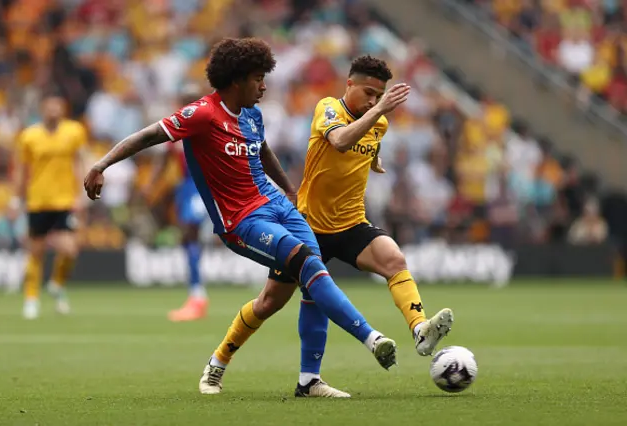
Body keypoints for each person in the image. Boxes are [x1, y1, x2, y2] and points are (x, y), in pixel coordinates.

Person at [84, 37, 397, 397]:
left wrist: (291, 192)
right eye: (258, 78)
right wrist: (101, 163)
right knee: (307, 267)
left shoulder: (252, 114)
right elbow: (151, 134)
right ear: (236, 80)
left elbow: (262, 151)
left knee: (294, 291)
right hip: (241, 222)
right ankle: (371, 338)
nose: (264, 86)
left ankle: (306, 380)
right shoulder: (202, 114)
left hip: (278, 207)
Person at [209, 55, 454, 397]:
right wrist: (380, 109)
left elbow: (365, 144)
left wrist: (375, 158)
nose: (372, 100)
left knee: (394, 259)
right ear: (349, 84)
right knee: (269, 303)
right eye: (368, 92)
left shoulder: (376, 122)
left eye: (378, 94)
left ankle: (419, 330)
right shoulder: (329, 109)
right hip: (308, 225)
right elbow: (339, 141)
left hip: (352, 223)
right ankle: (218, 361)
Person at [14, 92, 88, 319]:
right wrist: (16, 198)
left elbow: (80, 161)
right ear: (42, 108)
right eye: (50, 106)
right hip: (38, 200)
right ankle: (31, 299)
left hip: (65, 200)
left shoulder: (74, 131)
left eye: (58, 106)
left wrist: (83, 193)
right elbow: (21, 170)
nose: (54, 110)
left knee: (70, 249)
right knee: (35, 252)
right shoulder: (29, 136)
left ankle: (56, 283)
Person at [143, 84, 209, 321]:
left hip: (205, 185)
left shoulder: (207, 125)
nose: (188, 105)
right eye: (185, 100)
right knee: (187, 235)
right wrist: (151, 183)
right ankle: (197, 296)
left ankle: (197, 297)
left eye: (193, 100)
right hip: (187, 185)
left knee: (192, 233)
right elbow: (163, 158)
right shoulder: (178, 127)